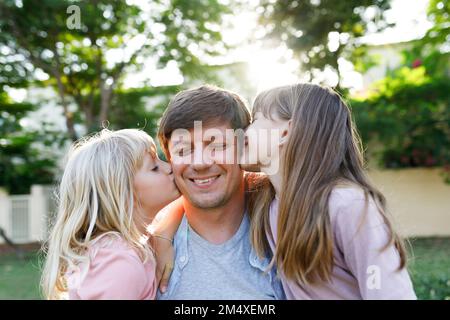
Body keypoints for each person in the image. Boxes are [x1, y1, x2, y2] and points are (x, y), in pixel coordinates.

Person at [242, 83, 417, 299]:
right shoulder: (268, 203)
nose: (244, 131)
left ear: (285, 132)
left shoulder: (346, 205)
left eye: (256, 120)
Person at [155, 85, 285, 300]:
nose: (200, 163)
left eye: (217, 145)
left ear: (244, 147)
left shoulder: (284, 228)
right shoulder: (147, 260)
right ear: (170, 160)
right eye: (183, 150)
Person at [41, 129, 180, 299]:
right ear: (124, 194)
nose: (170, 167)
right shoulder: (119, 262)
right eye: (155, 167)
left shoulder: (122, 247)